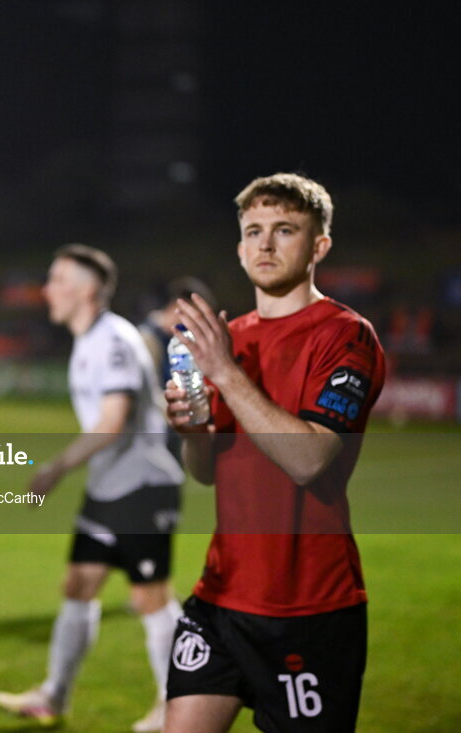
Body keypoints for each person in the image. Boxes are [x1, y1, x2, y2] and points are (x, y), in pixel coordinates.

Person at [161, 173, 385, 733]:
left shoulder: (346, 335)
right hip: (221, 593)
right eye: (253, 231)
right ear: (239, 248)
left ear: (319, 246)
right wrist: (193, 431)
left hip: (308, 607)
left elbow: (310, 460)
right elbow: (206, 473)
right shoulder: (229, 336)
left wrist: (226, 375)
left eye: (285, 230)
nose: (265, 244)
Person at [0, 244, 184, 732]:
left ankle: (176, 707)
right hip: (109, 488)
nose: (47, 289)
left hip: (142, 486)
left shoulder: (113, 339)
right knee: (78, 585)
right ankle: (54, 695)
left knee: (150, 597)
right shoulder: (90, 339)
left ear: (87, 291)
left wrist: (55, 468)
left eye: (58, 280)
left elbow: (113, 421)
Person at [138, 277, 217, 461]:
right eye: (194, 316)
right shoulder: (146, 339)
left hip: (174, 426)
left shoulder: (179, 341)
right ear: (178, 308)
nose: (197, 324)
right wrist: (181, 414)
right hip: (154, 431)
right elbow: (148, 394)